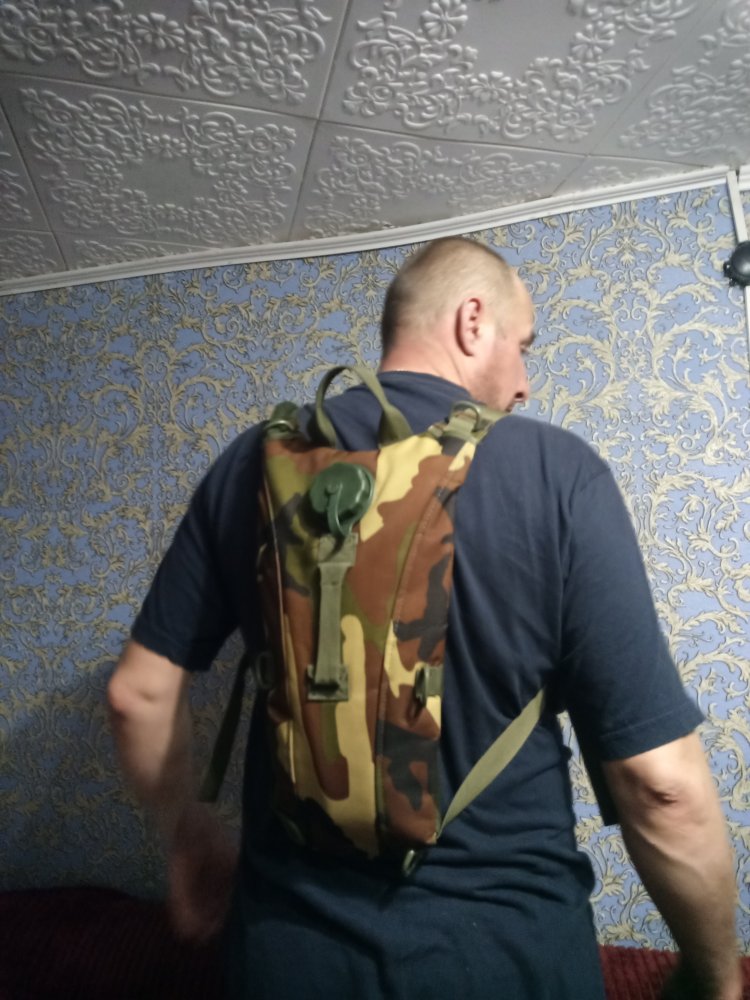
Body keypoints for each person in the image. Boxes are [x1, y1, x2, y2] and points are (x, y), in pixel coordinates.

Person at [108, 237, 741, 999]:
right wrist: (716, 976)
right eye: (523, 346)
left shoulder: (252, 462)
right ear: (473, 321)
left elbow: (137, 695)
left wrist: (187, 837)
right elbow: (660, 784)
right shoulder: (557, 471)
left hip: (289, 956)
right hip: (506, 954)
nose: (525, 384)